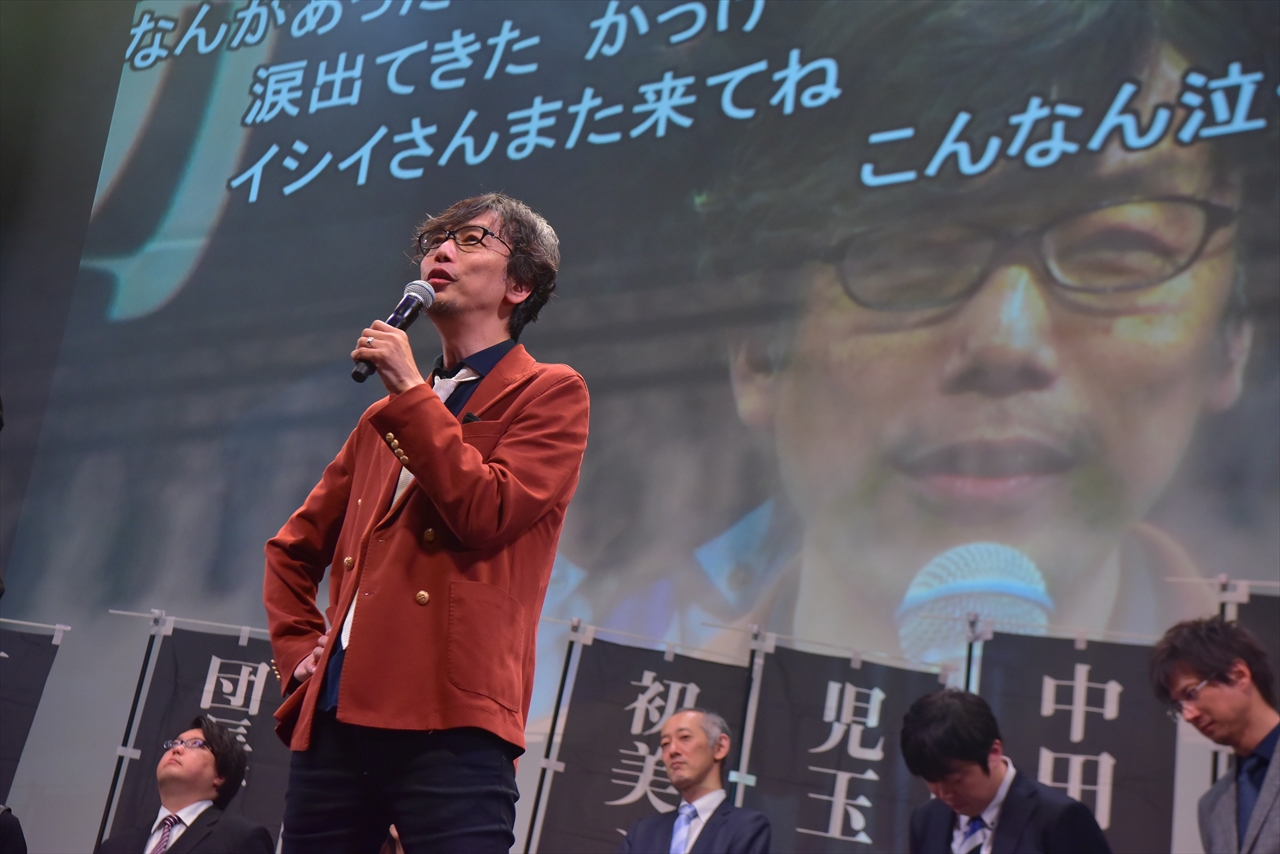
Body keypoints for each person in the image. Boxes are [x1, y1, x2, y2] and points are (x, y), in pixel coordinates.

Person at [609, 0, 1276, 670]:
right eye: (908, 254)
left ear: (1233, 334)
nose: (1005, 341)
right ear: (757, 350)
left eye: (1117, 250)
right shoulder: (600, 734)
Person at [264, 193, 590, 852]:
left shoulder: (551, 391)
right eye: (436, 241)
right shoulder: (384, 417)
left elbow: (486, 512)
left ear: (520, 285)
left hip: (452, 716)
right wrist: (300, 655)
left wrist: (411, 393)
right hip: (337, 712)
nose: (441, 251)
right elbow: (291, 551)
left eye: (471, 240)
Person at [900, 689, 1111, 854]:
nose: (944, 794)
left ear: (994, 752)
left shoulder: (1059, 818)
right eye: (931, 780)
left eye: (955, 780)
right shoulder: (926, 819)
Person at [1150, 617, 1280, 853]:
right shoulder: (1212, 806)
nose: (1188, 715)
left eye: (1191, 694)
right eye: (1179, 706)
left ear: (1239, 675)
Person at [98, 716, 272, 854]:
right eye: (175, 743)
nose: (177, 749)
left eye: (195, 744)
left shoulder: (240, 838)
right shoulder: (115, 847)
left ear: (220, 775)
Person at [619, 709, 770, 854]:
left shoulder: (745, 826)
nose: (672, 750)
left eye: (685, 737)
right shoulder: (643, 832)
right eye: (665, 744)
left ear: (720, 747)